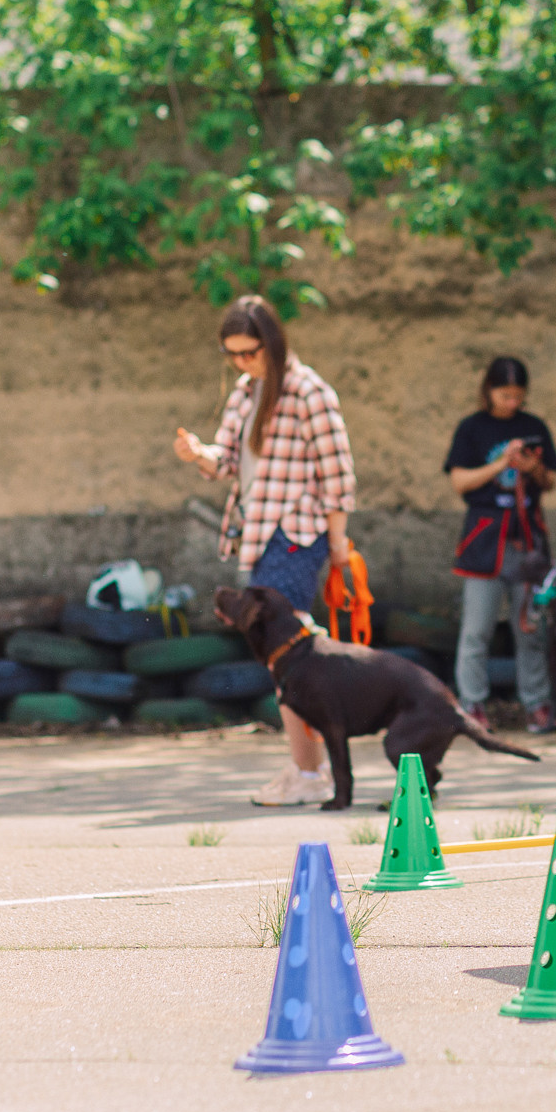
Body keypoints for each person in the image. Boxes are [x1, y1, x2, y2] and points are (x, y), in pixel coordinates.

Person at [174, 295, 358, 805]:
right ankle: (307, 769)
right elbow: (228, 460)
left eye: (249, 351)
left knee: (288, 656)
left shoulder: (309, 391)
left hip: (297, 535)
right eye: (231, 354)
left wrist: (338, 548)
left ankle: (309, 773)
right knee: (286, 658)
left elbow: (338, 477)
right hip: (256, 534)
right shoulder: (246, 390)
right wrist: (199, 455)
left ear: (272, 342)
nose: (241, 362)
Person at [444, 356, 556, 735]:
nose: (512, 402)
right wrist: (500, 466)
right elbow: (460, 482)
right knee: (476, 628)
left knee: (530, 627)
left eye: (518, 395)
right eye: (504, 394)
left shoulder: (534, 427)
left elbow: (551, 480)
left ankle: (537, 705)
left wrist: (531, 468)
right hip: (484, 541)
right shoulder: (472, 428)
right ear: (488, 390)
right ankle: (472, 706)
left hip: (526, 541)